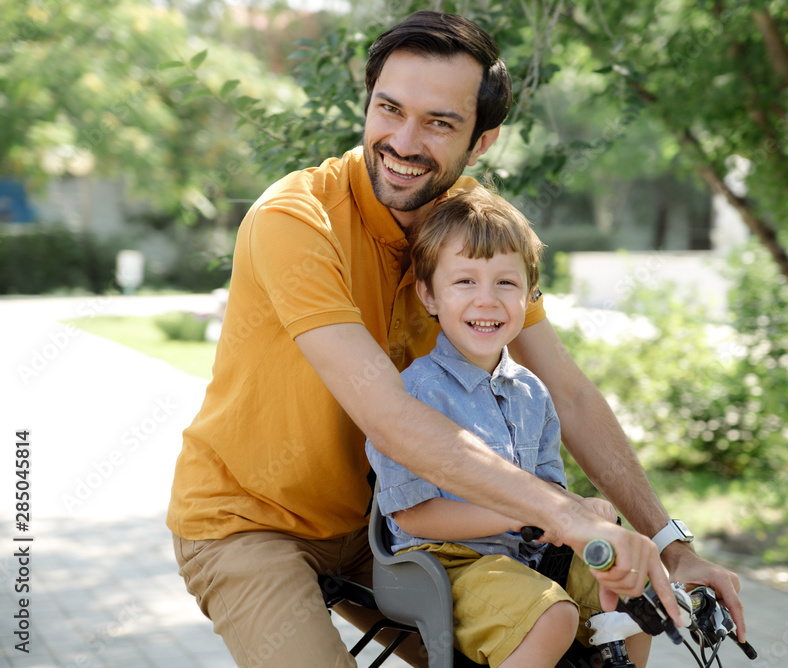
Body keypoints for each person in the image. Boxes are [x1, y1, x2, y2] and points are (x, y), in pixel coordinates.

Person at [167, 9, 744, 668]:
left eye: (439, 122)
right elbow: (389, 416)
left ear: (481, 142)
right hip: (250, 522)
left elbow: (570, 395)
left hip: (388, 526)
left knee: (576, 634)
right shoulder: (295, 220)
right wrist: (561, 512)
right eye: (390, 109)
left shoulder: (472, 233)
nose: (404, 142)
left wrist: (670, 543)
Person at [366, 188, 652, 667]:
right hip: (442, 563)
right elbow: (414, 517)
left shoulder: (532, 394)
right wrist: (518, 514)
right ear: (429, 295)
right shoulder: (414, 394)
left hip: (526, 560)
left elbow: (547, 496)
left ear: (529, 295)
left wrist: (584, 509)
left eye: (505, 283)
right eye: (465, 281)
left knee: (634, 584)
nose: (487, 300)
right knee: (552, 616)